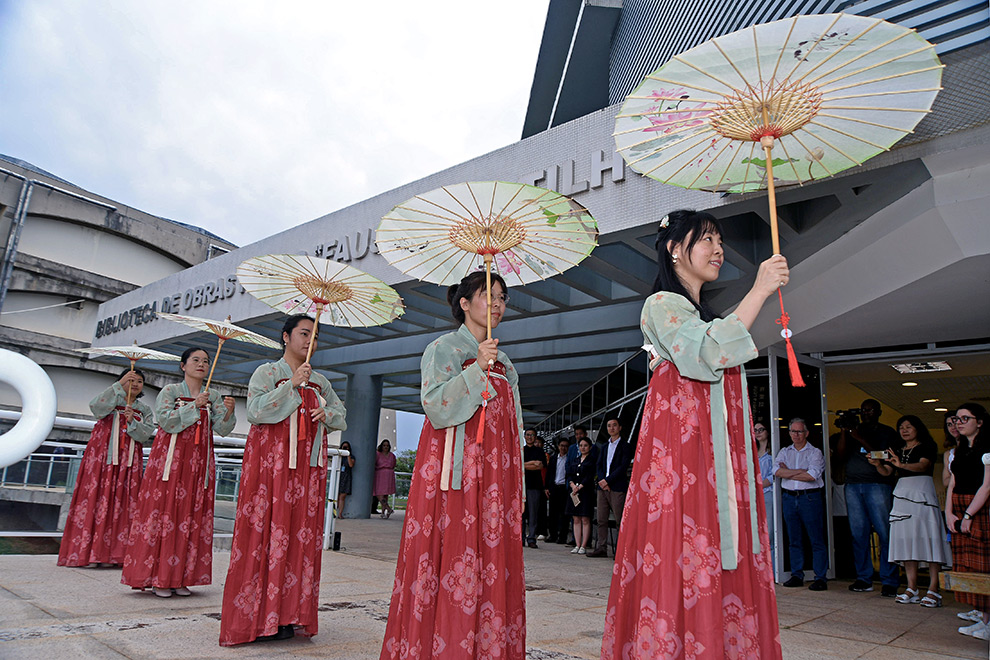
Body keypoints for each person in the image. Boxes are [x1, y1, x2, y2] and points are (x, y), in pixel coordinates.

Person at [602, 210, 784, 659]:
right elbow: (705, 351)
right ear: (673, 248)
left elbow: (714, 341)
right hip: (684, 459)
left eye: (719, 240)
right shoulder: (661, 304)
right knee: (686, 546)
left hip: (711, 458)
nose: (717, 249)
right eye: (706, 239)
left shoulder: (704, 314)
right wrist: (759, 289)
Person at [380, 271, 525, 660]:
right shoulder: (443, 349)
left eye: (502, 296)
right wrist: (476, 369)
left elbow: (515, 428)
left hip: (496, 476)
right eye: (487, 295)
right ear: (463, 303)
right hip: (454, 472)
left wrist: (516, 486)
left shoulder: (505, 362)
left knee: (491, 562)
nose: (496, 303)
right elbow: (436, 407)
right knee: (451, 556)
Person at [219, 315, 347, 645]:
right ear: (286, 336)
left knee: (297, 538)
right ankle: (257, 618)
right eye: (304, 333)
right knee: (264, 534)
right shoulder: (268, 373)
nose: (310, 341)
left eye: (315, 336)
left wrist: (326, 415)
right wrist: (291, 385)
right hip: (270, 471)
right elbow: (257, 411)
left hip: (305, 473)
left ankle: (289, 615)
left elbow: (340, 414)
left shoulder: (320, 381)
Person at [121, 348, 236, 597]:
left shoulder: (212, 395)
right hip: (170, 462)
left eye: (206, 361)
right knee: (165, 514)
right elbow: (165, 421)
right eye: (196, 360)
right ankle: (160, 578)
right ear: (183, 365)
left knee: (191, 517)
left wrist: (228, 411)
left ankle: (182, 577)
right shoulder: (171, 391)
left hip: (199, 464)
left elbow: (223, 429)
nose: (202, 364)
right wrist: (194, 405)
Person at [58, 369, 155, 567]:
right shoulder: (111, 399)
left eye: (139, 381)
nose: (135, 383)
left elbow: (146, 433)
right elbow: (96, 408)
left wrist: (132, 421)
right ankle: (89, 554)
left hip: (128, 461)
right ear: (121, 380)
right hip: (102, 457)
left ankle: (117, 555)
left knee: (125, 500)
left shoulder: (143, 409)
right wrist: (118, 387)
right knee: (96, 497)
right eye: (130, 379)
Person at [834, 398, 902, 596]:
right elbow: (840, 455)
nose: (866, 414)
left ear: (879, 412)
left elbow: (883, 455)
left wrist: (860, 438)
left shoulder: (886, 432)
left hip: (878, 485)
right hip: (853, 485)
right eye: (863, 411)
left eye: (870, 411)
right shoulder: (853, 430)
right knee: (858, 534)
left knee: (885, 533)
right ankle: (864, 578)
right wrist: (845, 433)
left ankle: (889, 580)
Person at [886, 415, 950, 608]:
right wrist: (878, 464)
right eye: (901, 427)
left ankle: (933, 589)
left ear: (918, 428)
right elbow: (888, 472)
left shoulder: (927, 445)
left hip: (922, 491)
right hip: (902, 492)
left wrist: (901, 465)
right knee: (906, 539)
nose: (904, 430)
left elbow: (924, 465)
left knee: (929, 537)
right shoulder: (897, 449)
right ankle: (911, 587)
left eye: (908, 426)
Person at [945, 403, 990, 640]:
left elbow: (987, 485)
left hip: (979, 512)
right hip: (959, 510)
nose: (959, 423)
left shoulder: (987, 447)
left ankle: (988, 624)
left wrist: (969, 515)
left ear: (979, 422)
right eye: (956, 419)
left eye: (965, 418)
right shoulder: (960, 449)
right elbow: (953, 482)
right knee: (969, 568)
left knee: (984, 567)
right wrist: (948, 513)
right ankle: (984, 620)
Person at [775, 418, 829, 591]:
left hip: (809, 498)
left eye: (799, 432)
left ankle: (820, 577)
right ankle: (797, 574)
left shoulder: (815, 452)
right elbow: (776, 471)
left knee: (816, 539)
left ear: (806, 433)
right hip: (790, 498)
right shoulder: (785, 451)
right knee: (794, 539)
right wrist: (801, 471)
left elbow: (812, 475)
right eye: (793, 431)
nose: (796, 435)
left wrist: (788, 473)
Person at [588, 417, 631, 558]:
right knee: (601, 519)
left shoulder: (625, 446)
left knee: (619, 519)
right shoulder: (604, 446)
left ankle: (620, 550)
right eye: (609, 426)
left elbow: (622, 467)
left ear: (620, 428)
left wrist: (608, 481)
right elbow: (599, 465)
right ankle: (601, 548)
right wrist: (601, 480)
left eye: (614, 425)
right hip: (602, 488)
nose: (611, 428)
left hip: (617, 487)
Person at [566, 436, 596, 554]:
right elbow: (569, 474)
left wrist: (580, 486)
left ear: (590, 447)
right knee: (576, 518)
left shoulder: (592, 460)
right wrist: (573, 485)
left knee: (585, 518)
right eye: (581, 446)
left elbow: (590, 476)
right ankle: (577, 544)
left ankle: (584, 545)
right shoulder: (576, 460)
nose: (583, 448)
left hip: (585, 492)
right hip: (574, 492)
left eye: (585, 445)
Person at [755, 419, 776, 574]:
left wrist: (759, 484)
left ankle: (773, 569)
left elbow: (773, 475)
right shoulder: (753, 451)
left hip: (767, 494)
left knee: (769, 533)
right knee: (757, 533)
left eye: (761, 429)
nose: (758, 433)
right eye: (755, 430)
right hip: (755, 495)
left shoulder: (773, 452)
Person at [523, 428, 548, 548]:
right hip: (522, 486)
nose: (529, 437)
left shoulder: (540, 451)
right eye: (528, 435)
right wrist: (532, 463)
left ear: (535, 437)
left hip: (535, 486)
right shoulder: (521, 450)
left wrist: (525, 465)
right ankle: (520, 538)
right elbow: (518, 466)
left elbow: (540, 466)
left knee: (533, 514)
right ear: (524, 436)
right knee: (521, 514)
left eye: (532, 435)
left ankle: (531, 538)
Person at [546, 437, 571, 544]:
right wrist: (547, 487)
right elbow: (549, 474)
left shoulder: (570, 459)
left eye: (565, 446)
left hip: (564, 489)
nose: (563, 448)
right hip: (554, 488)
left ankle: (562, 537)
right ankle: (553, 535)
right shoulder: (553, 458)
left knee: (564, 514)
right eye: (561, 446)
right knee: (552, 514)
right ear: (558, 446)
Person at [374, 439, 397, 519]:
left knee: (385, 494)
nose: (385, 447)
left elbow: (394, 464)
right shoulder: (378, 454)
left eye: (387, 446)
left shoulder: (392, 455)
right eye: (384, 445)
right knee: (379, 493)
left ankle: (384, 512)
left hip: (389, 474)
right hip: (380, 474)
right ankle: (388, 508)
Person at [338, 440, 355, 517]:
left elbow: (351, 465)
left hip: (346, 476)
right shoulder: (338, 456)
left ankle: (340, 513)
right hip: (339, 475)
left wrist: (347, 454)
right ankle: (334, 512)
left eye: (346, 447)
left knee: (342, 496)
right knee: (335, 495)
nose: (345, 448)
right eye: (344, 447)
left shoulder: (351, 457)